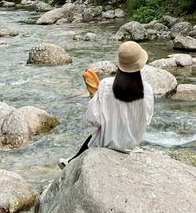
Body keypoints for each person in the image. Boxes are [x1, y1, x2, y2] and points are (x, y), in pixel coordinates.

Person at [59, 40, 154, 168]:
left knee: (96, 130)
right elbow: (147, 120)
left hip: (106, 145)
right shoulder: (147, 89)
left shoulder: (106, 85)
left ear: (119, 64)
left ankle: (71, 162)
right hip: (131, 146)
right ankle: (71, 161)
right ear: (140, 64)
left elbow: (94, 119)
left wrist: (94, 97)